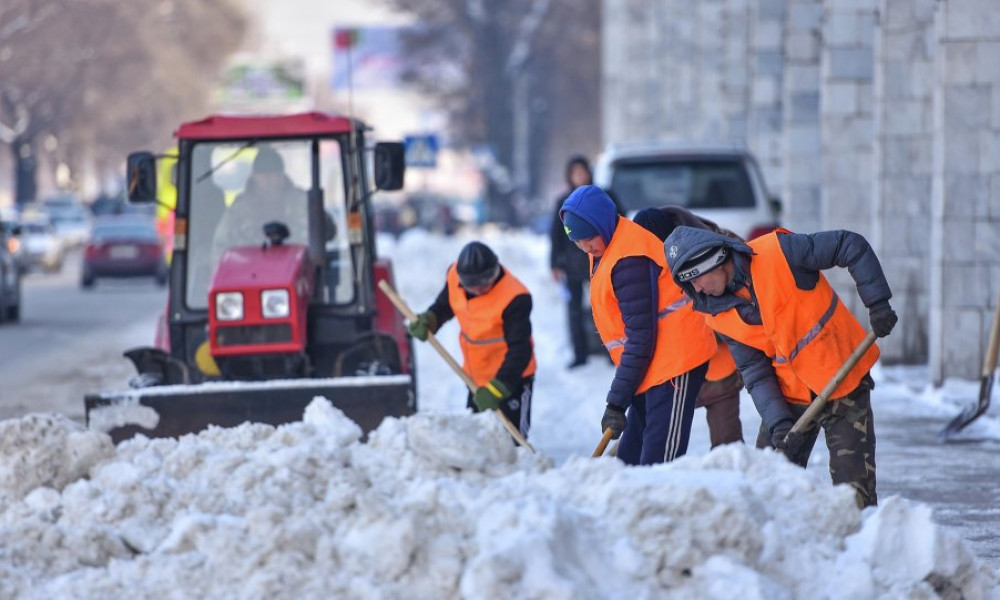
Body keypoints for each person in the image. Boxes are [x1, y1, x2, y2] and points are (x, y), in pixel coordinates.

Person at [662, 224, 898, 508]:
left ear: (716, 260)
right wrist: (778, 422)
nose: (697, 289)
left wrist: (877, 302)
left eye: (697, 279)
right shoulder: (717, 314)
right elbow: (754, 372)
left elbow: (850, 244)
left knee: (853, 498)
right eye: (689, 285)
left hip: (843, 380)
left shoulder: (779, 253)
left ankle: (861, 547)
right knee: (765, 490)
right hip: (790, 398)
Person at [560, 185, 717, 464]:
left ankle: (659, 505)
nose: (585, 247)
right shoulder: (608, 246)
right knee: (631, 454)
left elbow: (640, 336)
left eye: (588, 238)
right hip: (651, 363)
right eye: (578, 242)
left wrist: (616, 401)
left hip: (675, 361)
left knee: (660, 461)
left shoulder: (628, 259)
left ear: (602, 222)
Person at [633, 206, 744, 448]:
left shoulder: (712, 248)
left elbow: (744, 294)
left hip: (717, 364)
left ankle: (732, 483)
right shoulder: (640, 261)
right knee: (654, 439)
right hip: (673, 370)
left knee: (728, 447)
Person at [407, 242, 536, 438]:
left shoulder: (515, 297)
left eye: (486, 283)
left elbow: (520, 350)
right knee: (477, 440)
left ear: (495, 271)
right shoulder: (454, 276)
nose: (480, 290)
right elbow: (444, 305)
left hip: (511, 381)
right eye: (473, 286)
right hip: (475, 379)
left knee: (512, 442)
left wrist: (498, 388)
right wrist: (430, 320)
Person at [212, 145, 308, 258]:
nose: (273, 180)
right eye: (265, 176)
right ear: (254, 177)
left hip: (298, 267)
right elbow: (220, 247)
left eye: (277, 174)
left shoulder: (303, 202)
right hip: (249, 271)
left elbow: (329, 233)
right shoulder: (239, 210)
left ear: (283, 175)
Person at [549, 155, 596, 369]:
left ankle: (612, 350)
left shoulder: (602, 196)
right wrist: (555, 264)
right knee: (574, 310)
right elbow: (556, 235)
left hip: (600, 261)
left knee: (607, 306)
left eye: (582, 171)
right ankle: (580, 354)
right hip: (572, 263)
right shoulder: (563, 202)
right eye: (575, 172)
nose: (579, 176)